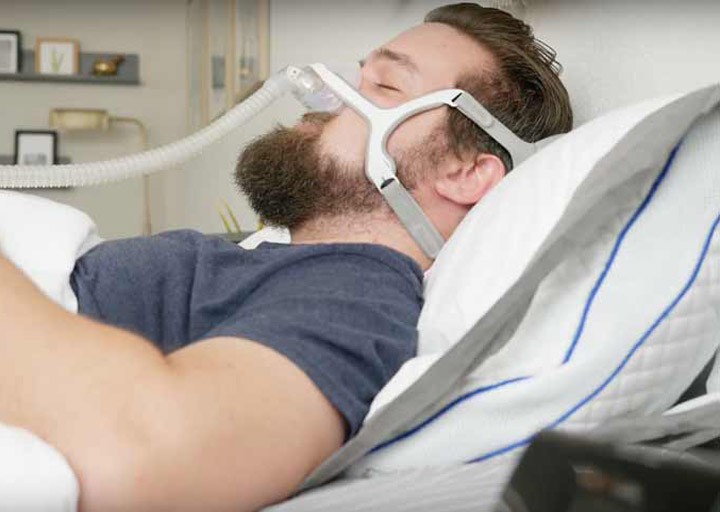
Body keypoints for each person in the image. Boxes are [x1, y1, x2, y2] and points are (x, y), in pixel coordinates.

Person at [0, 3, 572, 511]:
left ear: (464, 172)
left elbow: (158, 455)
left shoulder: (356, 295)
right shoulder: (272, 259)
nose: (324, 96)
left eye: (385, 88)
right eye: (357, 74)